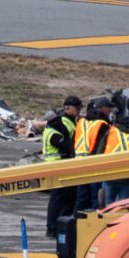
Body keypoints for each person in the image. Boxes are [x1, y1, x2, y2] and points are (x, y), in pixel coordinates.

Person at [40, 96, 81, 246]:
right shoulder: (55, 131)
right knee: (57, 198)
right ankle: (52, 227)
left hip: (59, 165)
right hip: (56, 166)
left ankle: (57, 225)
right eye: (77, 108)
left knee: (63, 197)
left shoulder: (62, 125)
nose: (79, 110)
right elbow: (66, 145)